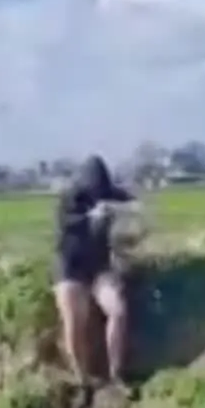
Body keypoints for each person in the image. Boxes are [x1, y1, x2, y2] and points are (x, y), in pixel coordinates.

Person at [52, 155, 141, 385]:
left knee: (118, 310)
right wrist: (91, 217)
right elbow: (69, 223)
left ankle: (116, 373)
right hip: (70, 269)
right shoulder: (69, 200)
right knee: (74, 320)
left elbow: (139, 207)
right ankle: (82, 379)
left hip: (99, 267)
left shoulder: (107, 196)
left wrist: (120, 209)